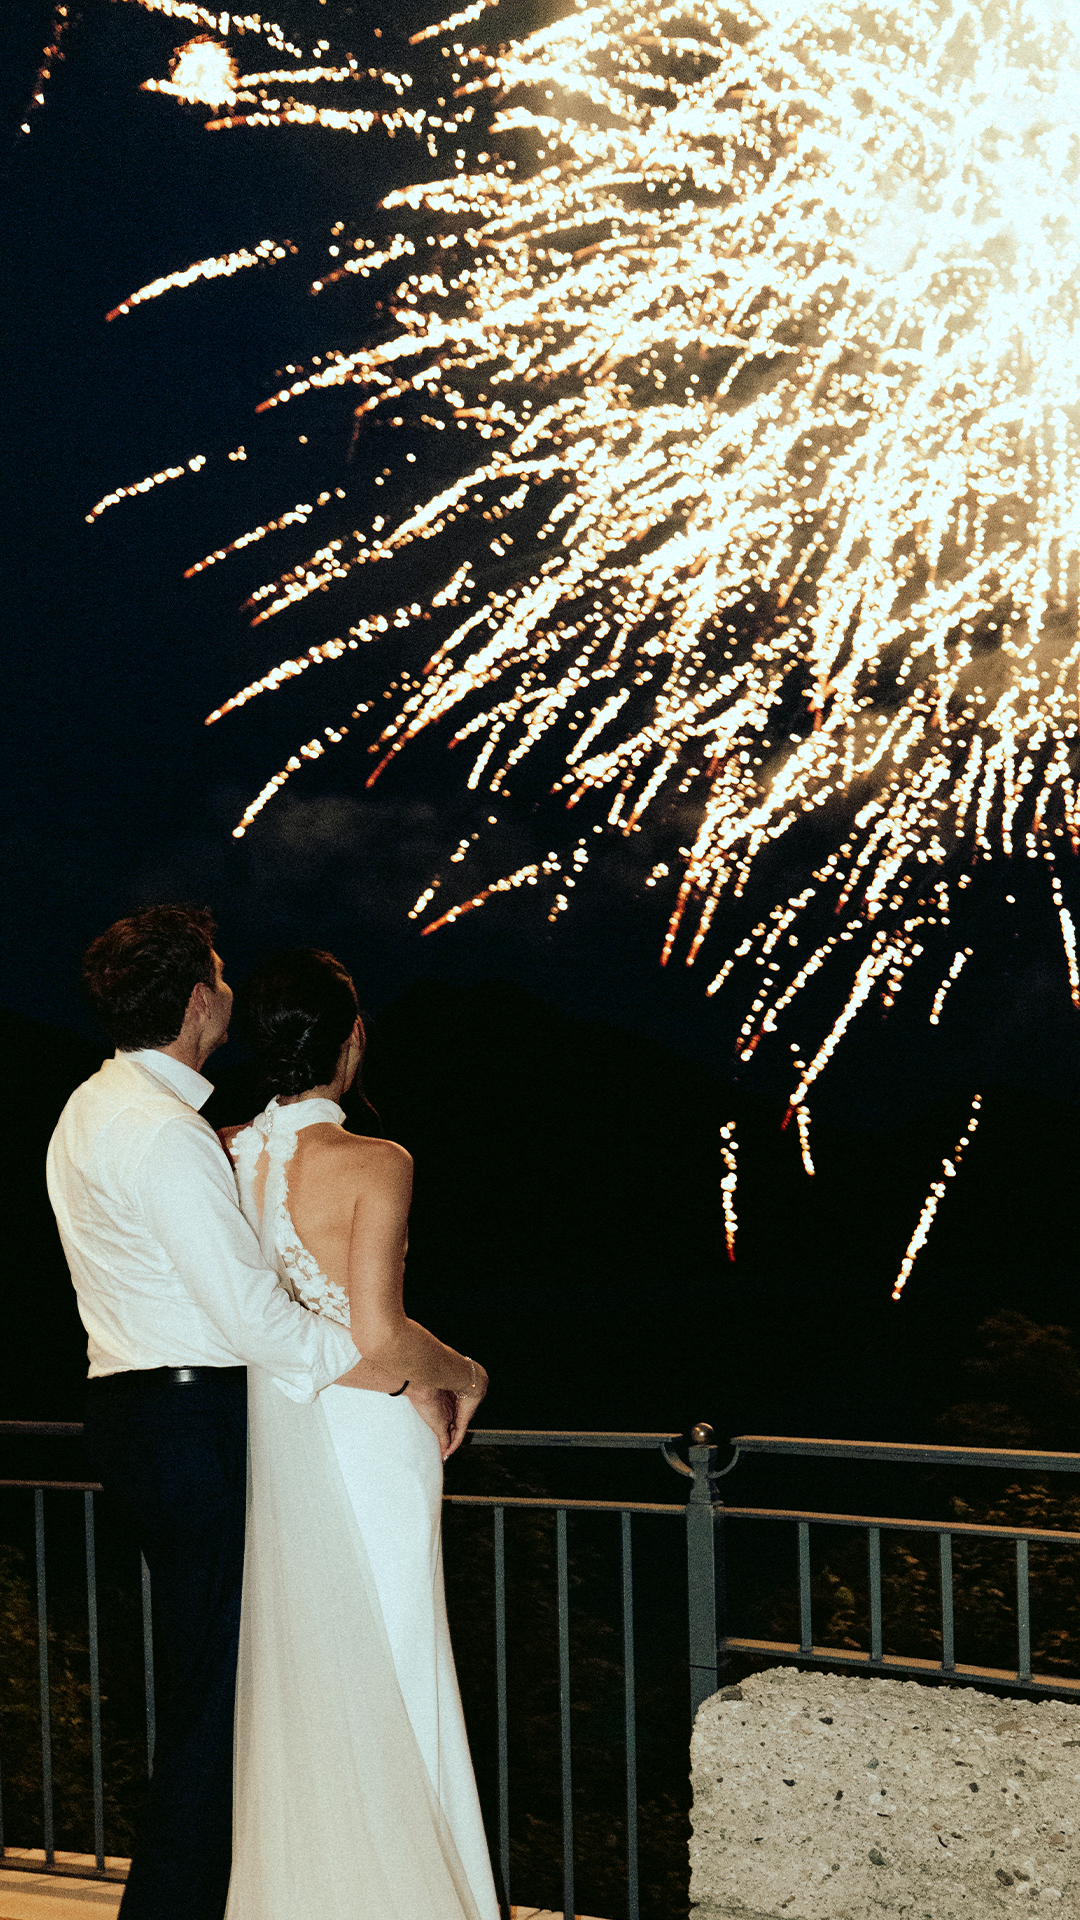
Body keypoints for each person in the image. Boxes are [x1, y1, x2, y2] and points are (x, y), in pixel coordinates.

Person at [46, 906, 365, 1920]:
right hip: (190, 1427)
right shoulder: (159, 1134)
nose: (230, 993)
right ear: (195, 1003)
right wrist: (375, 1361)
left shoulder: (92, 1109)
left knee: (204, 1692)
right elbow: (252, 1320)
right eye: (220, 978)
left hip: (135, 1416)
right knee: (218, 1711)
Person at [219, 948, 498, 1920]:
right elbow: (380, 1334)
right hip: (368, 1434)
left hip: (272, 1429)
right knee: (395, 1653)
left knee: (303, 1667)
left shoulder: (220, 1152)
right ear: (347, 1043)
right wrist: (464, 1374)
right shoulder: (376, 1161)